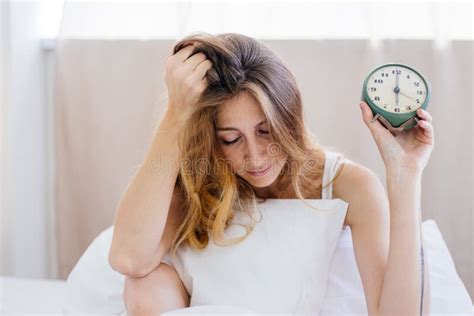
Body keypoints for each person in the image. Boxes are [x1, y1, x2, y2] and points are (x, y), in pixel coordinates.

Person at [108, 32, 433, 315]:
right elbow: (128, 259)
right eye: (231, 139)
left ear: (289, 119)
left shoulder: (348, 185)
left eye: (265, 131)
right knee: (145, 284)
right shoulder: (203, 175)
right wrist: (176, 114)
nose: (254, 155)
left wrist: (405, 176)